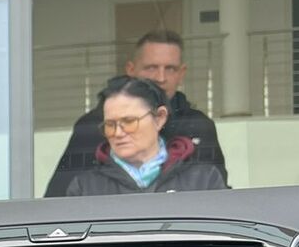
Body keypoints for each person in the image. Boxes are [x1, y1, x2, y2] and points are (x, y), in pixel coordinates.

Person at [45, 30, 227, 196]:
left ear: (160, 118)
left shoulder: (200, 127)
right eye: (151, 68)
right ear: (131, 70)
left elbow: (217, 200)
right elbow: (61, 201)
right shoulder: (91, 127)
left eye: (170, 68)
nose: (161, 78)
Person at [66, 77, 225, 196]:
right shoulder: (84, 187)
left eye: (129, 121)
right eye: (110, 124)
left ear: (159, 118)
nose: (118, 133)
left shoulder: (204, 180)